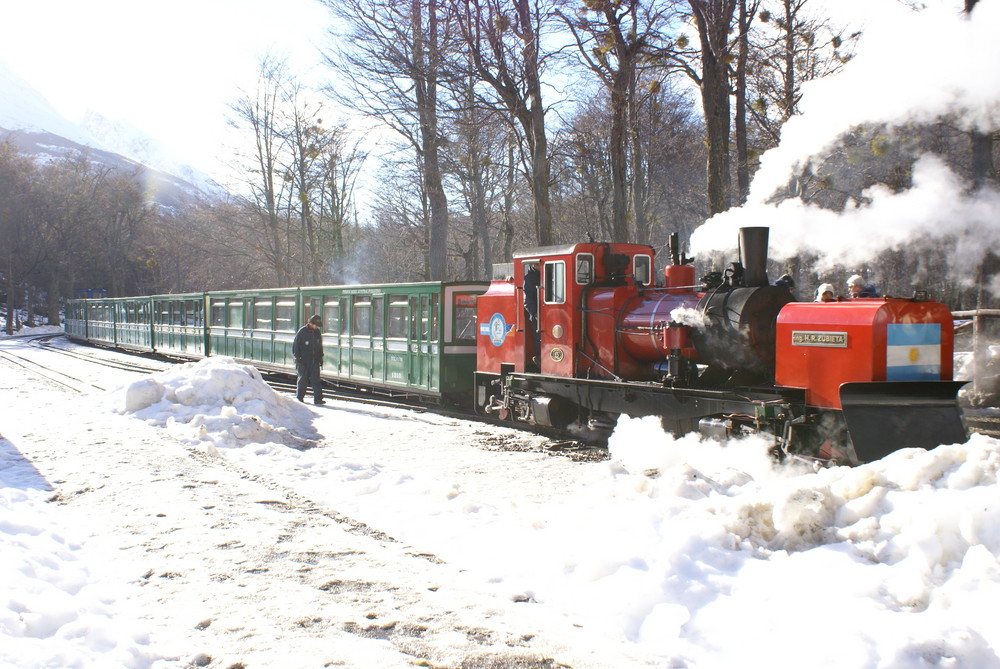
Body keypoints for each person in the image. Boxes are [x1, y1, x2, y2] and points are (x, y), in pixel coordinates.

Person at [293, 314, 325, 405]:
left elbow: (319, 346)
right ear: (310, 323)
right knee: (303, 379)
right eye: (315, 325)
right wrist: (297, 357)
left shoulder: (317, 332)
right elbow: (296, 345)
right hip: (303, 360)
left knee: (316, 379)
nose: (316, 327)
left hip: (314, 360)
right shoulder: (302, 332)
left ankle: (318, 399)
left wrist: (320, 357)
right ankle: (300, 397)